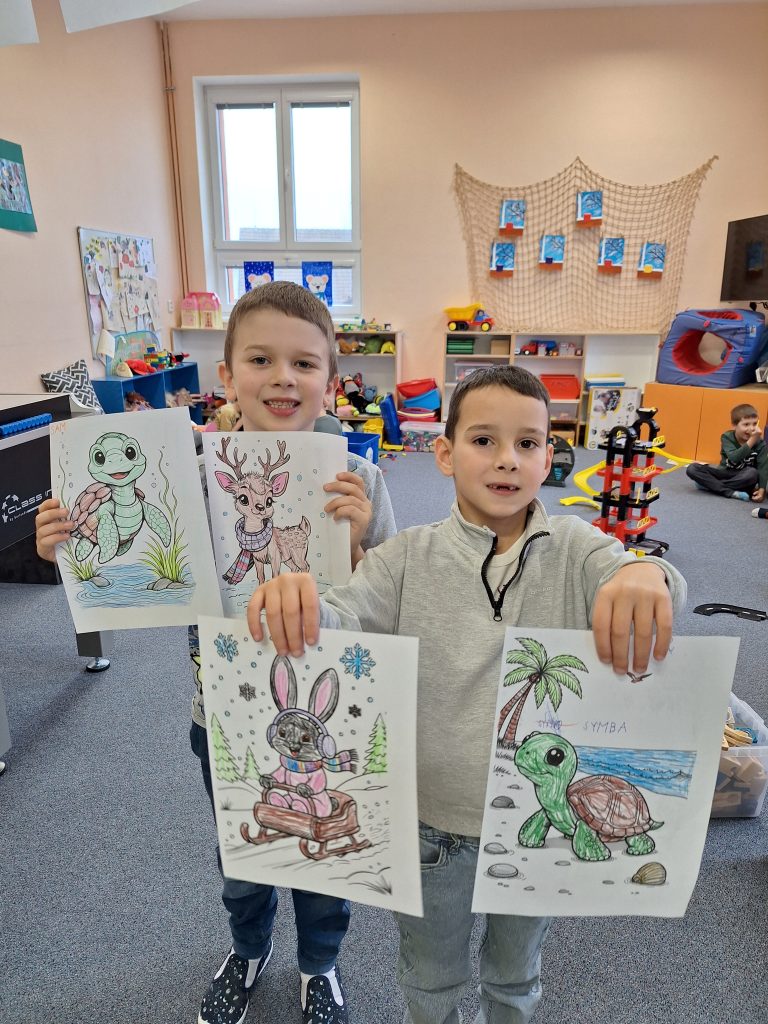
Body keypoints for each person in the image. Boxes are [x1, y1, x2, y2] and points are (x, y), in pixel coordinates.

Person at [247, 365, 687, 1024]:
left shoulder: (578, 548)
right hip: (430, 827)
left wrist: (647, 573)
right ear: (445, 454)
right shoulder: (405, 557)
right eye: (484, 440)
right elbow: (342, 620)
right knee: (430, 978)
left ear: (548, 458)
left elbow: (656, 588)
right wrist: (299, 597)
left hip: (537, 826)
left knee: (515, 977)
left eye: (528, 443)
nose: (508, 459)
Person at [34, 281, 397, 1024]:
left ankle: (320, 965)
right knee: (243, 849)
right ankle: (248, 949)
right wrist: (68, 549)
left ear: (332, 380)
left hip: (332, 713)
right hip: (223, 712)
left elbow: (392, 605)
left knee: (325, 851)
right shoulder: (187, 475)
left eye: (305, 363)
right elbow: (132, 565)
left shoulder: (360, 480)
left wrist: (360, 541)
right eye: (261, 360)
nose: (283, 378)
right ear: (227, 376)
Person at [685, 402, 767, 502]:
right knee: (692, 468)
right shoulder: (727, 437)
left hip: (743, 478)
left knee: (752, 473)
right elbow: (734, 458)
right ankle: (729, 492)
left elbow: (763, 467)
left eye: (754, 424)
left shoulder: (760, 443)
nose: (751, 428)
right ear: (734, 425)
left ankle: (710, 485)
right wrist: (752, 440)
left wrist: (762, 490)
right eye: (746, 424)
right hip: (724, 473)